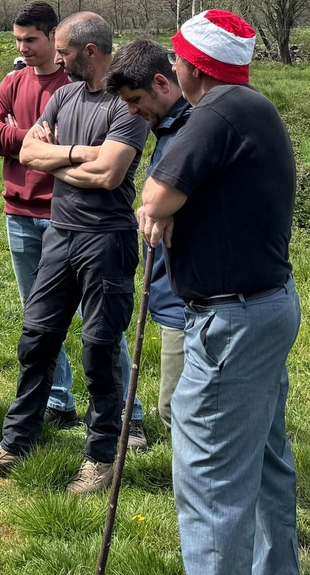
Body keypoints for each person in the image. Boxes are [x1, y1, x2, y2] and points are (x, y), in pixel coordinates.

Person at [136, 9, 299, 575]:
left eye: (178, 57)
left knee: (210, 482)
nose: (174, 66)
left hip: (232, 322)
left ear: (194, 68)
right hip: (266, 307)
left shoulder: (217, 110)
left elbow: (154, 200)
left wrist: (160, 209)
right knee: (265, 462)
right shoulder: (253, 108)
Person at [0, 11, 149, 494]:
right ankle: (17, 441)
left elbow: (109, 175)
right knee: (37, 340)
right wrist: (79, 154)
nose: (58, 60)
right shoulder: (66, 96)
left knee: (99, 348)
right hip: (59, 235)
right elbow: (27, 153)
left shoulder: (126, 104)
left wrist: (58, 158)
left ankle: (102, 455)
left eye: (64, 51)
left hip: (106, 239)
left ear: (89, 51)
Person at [108, 39, 190, 430]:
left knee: (179, 411)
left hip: (187, 299)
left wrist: (155, 208)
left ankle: (195, 489)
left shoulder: (192, 129)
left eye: (136, 98)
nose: (131, 111)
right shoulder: (170, 126)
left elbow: (157, 201)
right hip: (172, 292)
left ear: (162, 83)